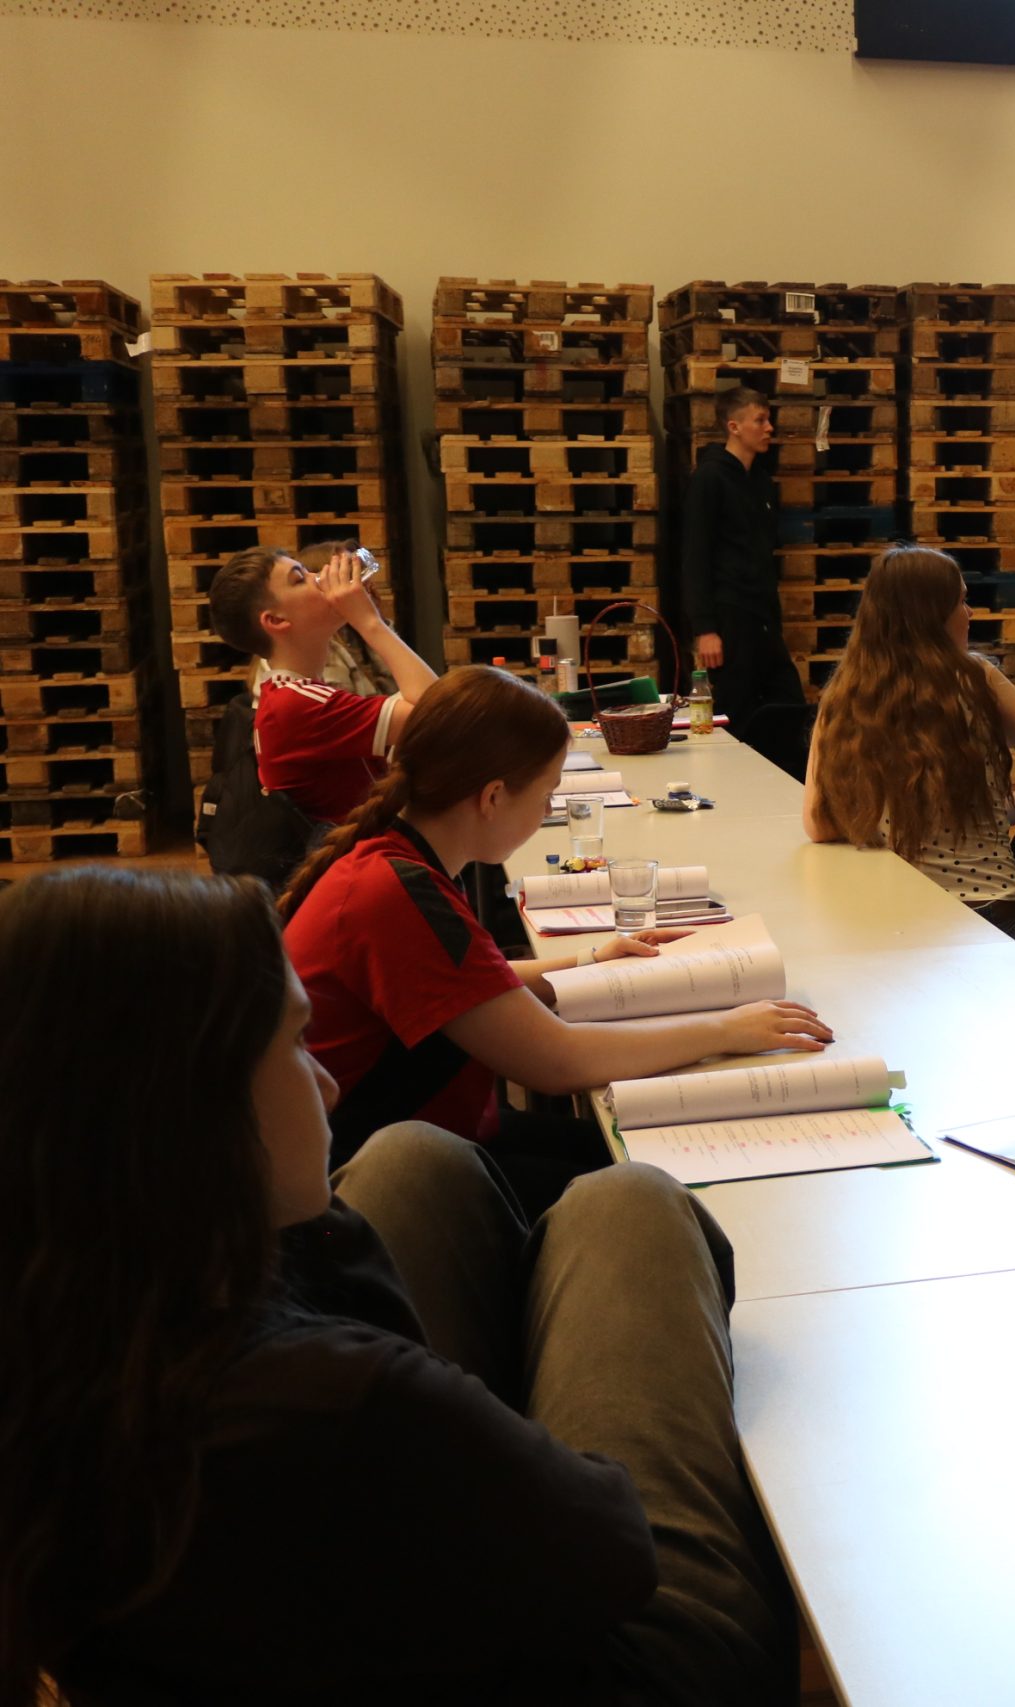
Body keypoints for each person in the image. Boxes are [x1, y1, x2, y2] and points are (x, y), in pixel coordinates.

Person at [0, 866, 798, 1704]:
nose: (327, 1083)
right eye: (296, 1045)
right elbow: (614, 1549)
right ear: (196, 1111)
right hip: (637, 1646)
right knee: (629, 1204)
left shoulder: (67, 1325)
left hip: (331, 1610)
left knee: (411, 1153)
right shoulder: (339, 1397)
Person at [278, 665, 833, 1205]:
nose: (549, 809)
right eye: (547, 795)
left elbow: (469, 985)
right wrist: (725, 1030)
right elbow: (558, 1062)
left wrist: (589, 961)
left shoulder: (394, 860)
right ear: (493, 797)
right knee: (663, 1183)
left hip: (418, 1143)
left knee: (627, 1153)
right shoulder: (394, 895)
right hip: (374, 1188)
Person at [802, 545, 1015, 934]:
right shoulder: (977, 680)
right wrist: (994, 815)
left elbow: (819, 826)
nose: (970, 614)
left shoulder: (846, 696)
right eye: (961, 601)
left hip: (891, 916)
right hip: (989, 913)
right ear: (931, 615)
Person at [204, 541, 440, 824]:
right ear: (276, 620)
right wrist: (369, 623)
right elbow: (438, 713)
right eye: (300, 579)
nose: (321, 577)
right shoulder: (296, 704)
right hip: (361, 847)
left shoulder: (294, 692)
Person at [679, 386, 803, 760]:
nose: (769, 428)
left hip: (763, 616)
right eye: (759, 420)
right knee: (736, 710)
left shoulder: (760, 482)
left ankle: (787, 783)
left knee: (789, 702)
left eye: (768, 419)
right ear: (734, 426)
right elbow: (695, 555)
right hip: (730, 616)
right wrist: (705, 628)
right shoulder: (710, 478)